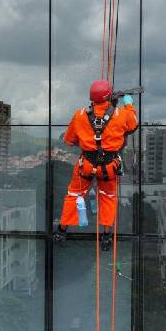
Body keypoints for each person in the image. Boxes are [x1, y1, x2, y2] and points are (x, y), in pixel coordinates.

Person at [54, 80, 138, 251]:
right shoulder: (121, 115)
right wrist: (128, 103)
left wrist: (87, 141)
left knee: (73, 195)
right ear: (109, 97)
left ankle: (61, 231)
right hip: (108, 167)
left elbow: (69, 140)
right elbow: (133, 123)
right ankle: (106, 236)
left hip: (86, 165)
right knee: (107, 198)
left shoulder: (79, 115)